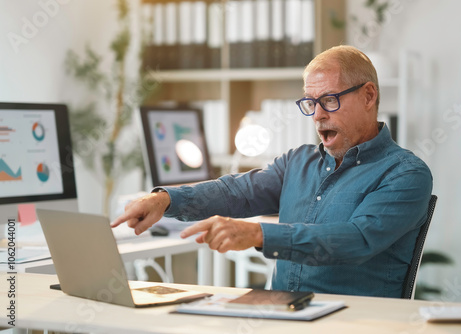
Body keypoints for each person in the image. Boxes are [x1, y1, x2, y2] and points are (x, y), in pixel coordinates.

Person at [112, 45, 433, 298]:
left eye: (330, 100)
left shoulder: (405, 174)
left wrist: (258, 235)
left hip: (352, 320)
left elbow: (356, 240)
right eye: (310, 103)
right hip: (281, 315)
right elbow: (235, 190)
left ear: (368, 96)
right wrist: (165, 200)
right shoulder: (298, 162)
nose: (318, 115)